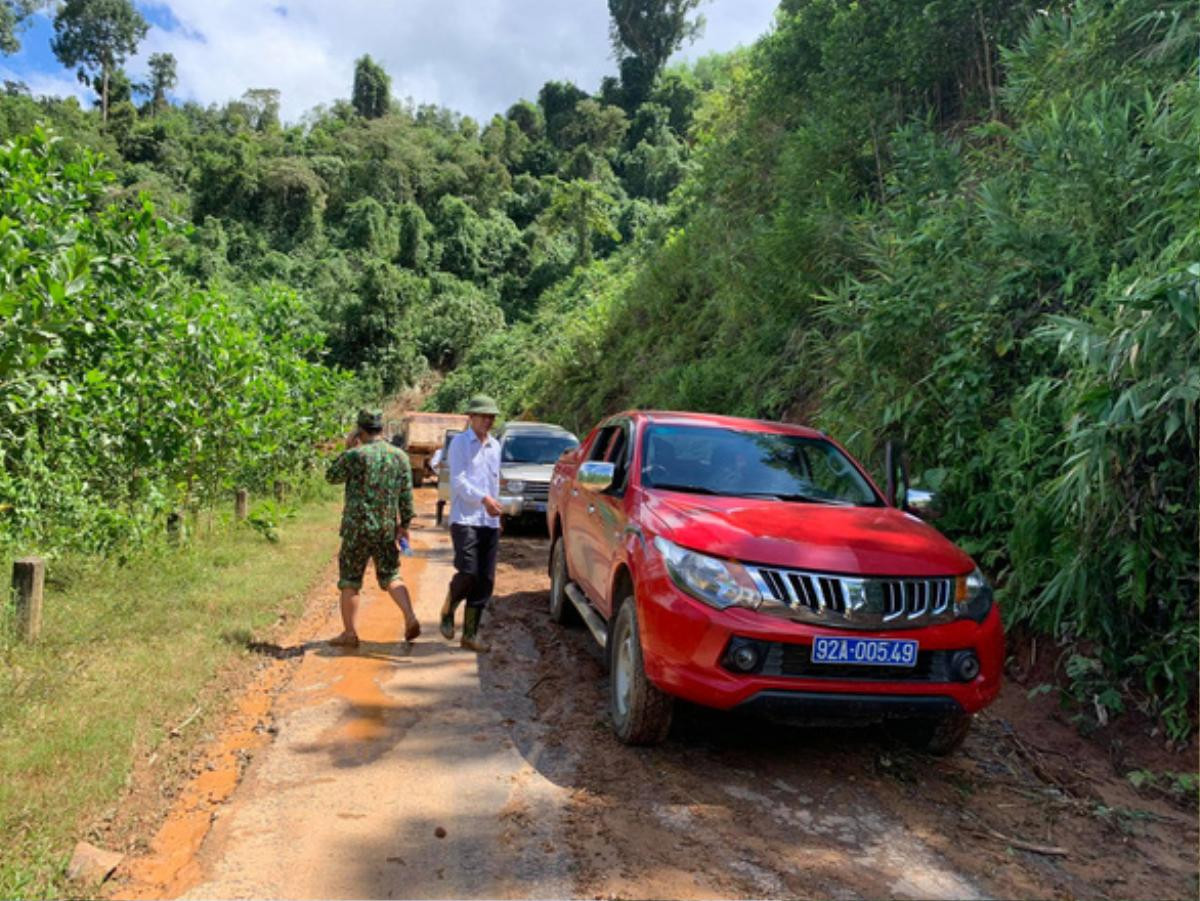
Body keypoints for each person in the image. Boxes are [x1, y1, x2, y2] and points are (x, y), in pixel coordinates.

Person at [326, 408, 420, 648]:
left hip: (356, 529)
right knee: (391, 575)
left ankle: (349, 633)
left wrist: (348, 448)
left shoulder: (356, 456)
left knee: (350, 580)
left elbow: (331, 476)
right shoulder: (399, 456)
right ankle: (409, 616)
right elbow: (406, 496)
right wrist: (405, 525)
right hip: (386, 528)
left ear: (361, 430)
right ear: (381, 429)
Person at [439, 395, 502, 652]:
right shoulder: (460, 444)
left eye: (491, 417)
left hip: (489, 521)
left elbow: (495, 483)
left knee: (485, 579)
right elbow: (459, 482)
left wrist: (497, 512)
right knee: (468, 572)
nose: (488, 421)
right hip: (465, 518)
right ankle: (449, 606)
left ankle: (470, 634)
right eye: (483, 416)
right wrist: (483, 499)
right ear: (471, 417)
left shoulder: (495, 446)